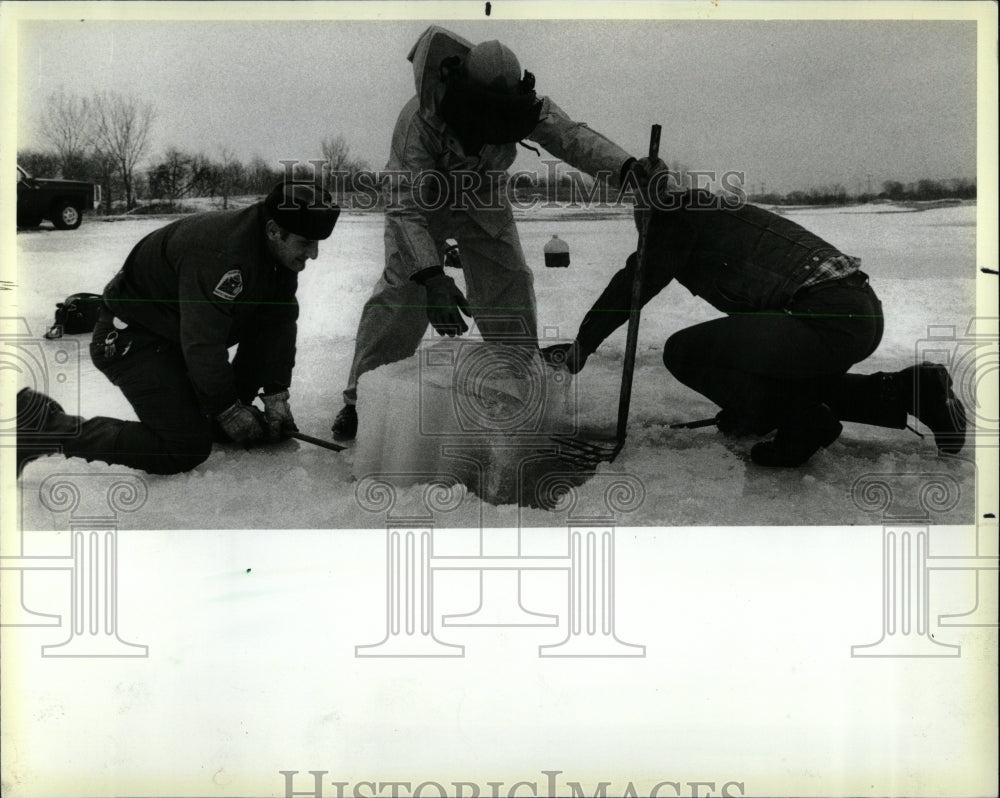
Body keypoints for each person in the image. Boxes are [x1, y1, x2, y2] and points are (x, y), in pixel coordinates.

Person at [330, 25, 659, 440]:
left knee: (510, 281)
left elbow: (571, 138)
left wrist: (628, 168)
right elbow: (404, 206)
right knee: (401, 293)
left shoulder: (523, 107)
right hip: (425, 200)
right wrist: (433, 279)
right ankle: (361, 402)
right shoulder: (419, 119)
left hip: (482, 193)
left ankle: (519, 386)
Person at [541, 187, 967, 467]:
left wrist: (583, 345)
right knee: (786, 385)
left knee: (683, 351)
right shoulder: (716, 216)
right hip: (855, 313)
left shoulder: (676, 216)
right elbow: (752, 337)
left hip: (824, 313)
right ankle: (913, 390)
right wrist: (749, 406)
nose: (644, 237)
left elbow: (633, 285)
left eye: (643, 227)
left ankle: (800, 421)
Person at [16, 182, 340, 477]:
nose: (313, 254)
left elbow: (278, 324)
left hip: (176, 332)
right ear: (273, 230)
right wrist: (227, 410)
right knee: (183, 447)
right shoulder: (222, 254)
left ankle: (214, 412)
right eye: (306, 243)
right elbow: (202, 342)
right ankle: (44, 425)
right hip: (131, 338)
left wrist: (275, 394)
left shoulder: (277, 250)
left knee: (262, 329)